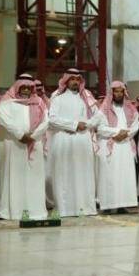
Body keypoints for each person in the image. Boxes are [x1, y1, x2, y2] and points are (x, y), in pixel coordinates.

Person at [0, 76, 48, 221]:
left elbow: (45, 121)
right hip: (14, 144)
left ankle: (35, 211)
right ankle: (11, 211)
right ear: (17, 87)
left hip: (34, 144)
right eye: (23, 87)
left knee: (33, 179)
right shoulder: (7, 102)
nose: (26, 90)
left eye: (28, 88)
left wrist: (33, 136)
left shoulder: (39, 102)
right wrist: (19, 134)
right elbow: (3, 119)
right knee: (13, 177)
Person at [48, 68, 97, 217]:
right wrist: (74, 125)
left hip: (82, 141)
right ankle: (64, 209)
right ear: (66, 81)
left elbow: (94, 118)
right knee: (64, 174)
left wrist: (85, 125)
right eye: (72, 79)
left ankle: (84, 207)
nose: (75, 82)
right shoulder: (57, 99)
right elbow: (52, 119)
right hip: (64, 140)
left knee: (83, 174)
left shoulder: (85, 100)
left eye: (77, 79)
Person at [91, 81, 139, 213]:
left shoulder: (131, 109)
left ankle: (123, 204)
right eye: (116, 92)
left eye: (121, 91)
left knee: (124, 175)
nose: (119, 94)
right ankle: (108, 205)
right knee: (109, 176)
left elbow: (136, 126)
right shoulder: (104, 109)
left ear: (124, 93)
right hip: (110, 146)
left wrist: (125, 134)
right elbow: (100, 128)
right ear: (112, 93)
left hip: (126, 146)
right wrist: (117, 133)